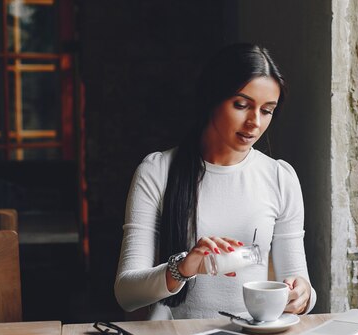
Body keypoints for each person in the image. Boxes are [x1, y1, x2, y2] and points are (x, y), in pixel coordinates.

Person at [114, 43, 317, 320]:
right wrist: (183, 267)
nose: (254, 123)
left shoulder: (280, 178)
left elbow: (299, 283)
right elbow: (126, 294)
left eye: (267, 110)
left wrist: (302, 295)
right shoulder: (158, 171)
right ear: (212, 98)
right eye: (241, 105)